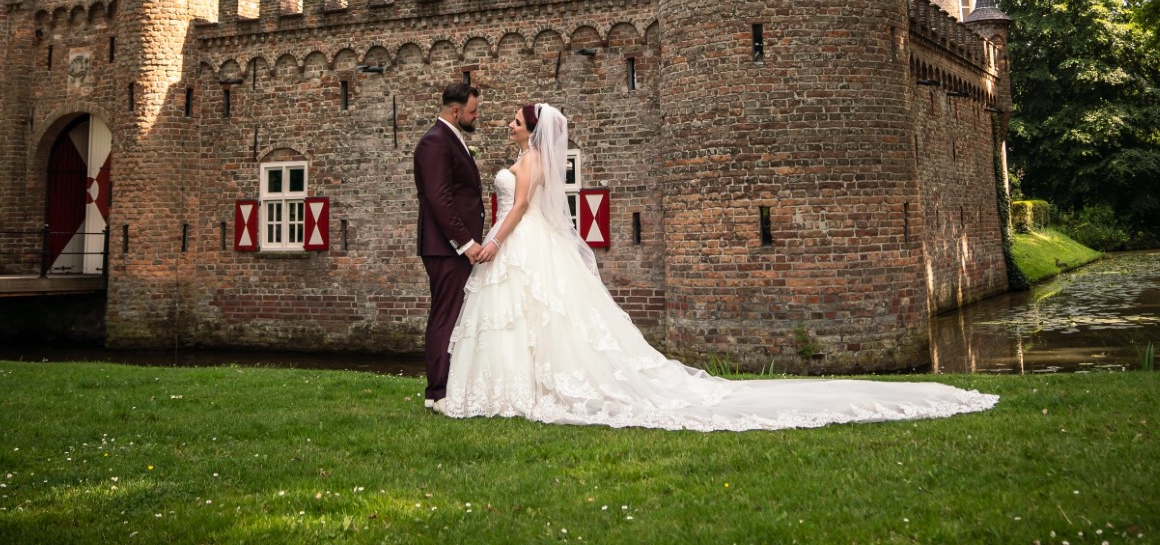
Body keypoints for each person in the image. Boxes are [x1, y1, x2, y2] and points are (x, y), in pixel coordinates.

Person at [440, 102, 999, 431]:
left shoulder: (533, 160)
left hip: (522, 241)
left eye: (515, 120)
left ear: (532, 129)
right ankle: (519, 385)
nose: (508, 124)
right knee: (533, 315)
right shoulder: (525, 157)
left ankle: (529, 387)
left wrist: (490, 244)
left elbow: (516, 209)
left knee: (541, 313)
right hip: (524, 242)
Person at [413, 81, 488, 409]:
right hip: (446, 248)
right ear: (456, 111)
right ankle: (438, 391)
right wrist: (466, 242)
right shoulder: (435, 142)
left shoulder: (450, 139)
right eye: (472, 111)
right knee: (446, 315)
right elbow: (439, 199)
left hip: (451, 247)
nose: (476, 116)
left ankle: (441, 390)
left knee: (454, 314)